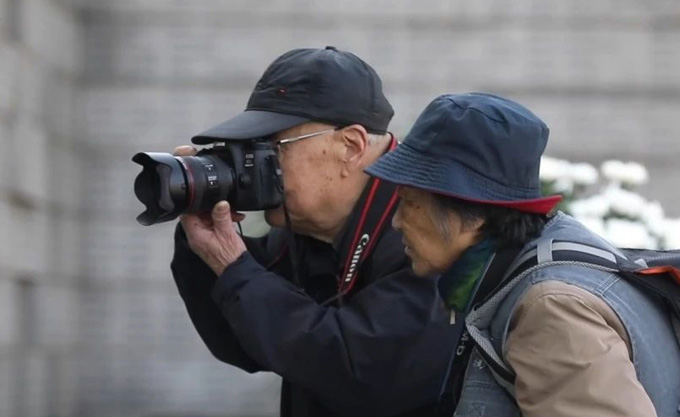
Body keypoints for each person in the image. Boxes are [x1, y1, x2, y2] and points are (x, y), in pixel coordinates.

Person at [170, 47, 458, 417]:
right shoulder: (310, 233)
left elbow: (365, 376)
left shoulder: (429, 231)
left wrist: (236, 270)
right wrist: (203, 241)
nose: (256, 166)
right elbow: (244, 345)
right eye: (248, 149)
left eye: (271, 148)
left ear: (350, 146)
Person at [365, 92, 680, 417]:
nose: (396, 221)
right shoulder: (524, 269)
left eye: (410, 202)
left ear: (474, 215)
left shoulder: (550, 309)